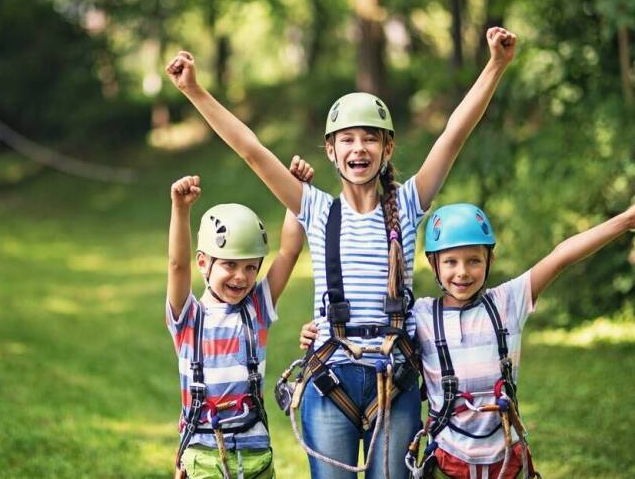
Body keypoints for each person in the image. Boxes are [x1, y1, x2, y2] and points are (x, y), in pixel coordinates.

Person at [166, 27, 517, 478]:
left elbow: (453, 135)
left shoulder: (408, 205)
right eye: (347, 139)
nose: (359, 148)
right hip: (330, 380)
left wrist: (495, 66)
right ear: (331, 150)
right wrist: (194, 90)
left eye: (370, 139)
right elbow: (251, 151)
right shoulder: (314, 208)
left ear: (387, 149)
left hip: (396, 379)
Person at [304, 199, 635, 478]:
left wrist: (624, 222)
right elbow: (370, 328)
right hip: (447, 461)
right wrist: (316, 332)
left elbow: (561, 256)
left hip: (506, 459)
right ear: (434, 264)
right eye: (452, 262)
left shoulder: (508, 302)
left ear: (490, 259)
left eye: (474, 260)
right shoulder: (422, 315)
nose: (463, 272)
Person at [167, 162, 312, 479]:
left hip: (255, 452)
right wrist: (180, 210)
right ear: (203, 263)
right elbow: (177, 265)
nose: (241, 277)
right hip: (203, 456)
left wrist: (295, 192)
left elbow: (289, 251)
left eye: (250, 267)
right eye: (230, 265)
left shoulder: (257, 308)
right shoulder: (189, 316)